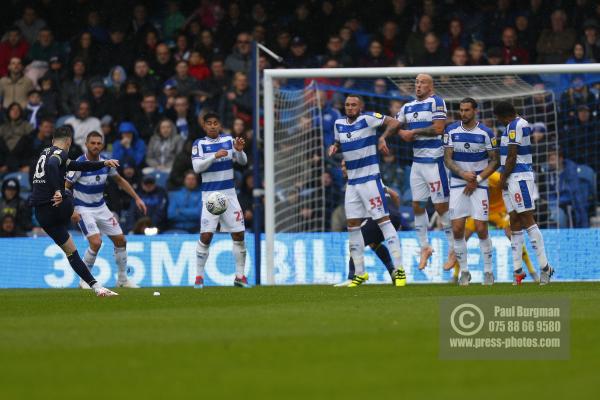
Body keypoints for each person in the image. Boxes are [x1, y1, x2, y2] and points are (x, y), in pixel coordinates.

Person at [29, 125, 119, 297]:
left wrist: (103, 163)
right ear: (69, 141)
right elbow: (52, 166)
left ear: (53, 139)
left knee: (71, 251)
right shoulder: (59, 154)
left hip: (41, 214)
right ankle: (74, 214)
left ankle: (96, 286)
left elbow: (78, 165)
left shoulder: (45, 151)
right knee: (69, 193)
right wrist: (58, 190)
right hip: (54, 207)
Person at [328, 95, 408, 287]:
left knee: (383, 221)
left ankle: (400, 270)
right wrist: (334, 146)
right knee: (352, 226)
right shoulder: (338, 123)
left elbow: (395, 122)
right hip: (353, 184)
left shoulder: (369, 119)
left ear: (360, 106)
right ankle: (360, 273)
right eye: (347, 104)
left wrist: (382, 137)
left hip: (370, 180)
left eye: (353, 104)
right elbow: (339, 142)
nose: (350, 107)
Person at [379, 74, 455, 271]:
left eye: (422, 83)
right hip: (418, 164)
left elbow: (439, 129)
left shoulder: (436, 102)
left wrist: (413, 133)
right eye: (416, 83)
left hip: (435, 161)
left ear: (431, 86)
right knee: (417, 206)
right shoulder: (408, 107)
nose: (418, 86)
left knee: (440, 207)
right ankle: (425, 247)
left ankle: (454, 248)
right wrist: (386, 136)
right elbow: (395, 124)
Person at [65, 131, 147, 289]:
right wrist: (71, 209)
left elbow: (120, 180)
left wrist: (137, 198)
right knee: (96, 242)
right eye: (93, 143)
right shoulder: (78, 164)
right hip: (82, 208)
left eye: (99, 143)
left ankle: (122, 280)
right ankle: (84, 280)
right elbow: (66, 187)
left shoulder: (105, 163)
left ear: (102, 145)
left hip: (101, 207)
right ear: (86, 145)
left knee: (121, 240)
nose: (96, 146)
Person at [494, 101, 554, 285]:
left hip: (519, 177)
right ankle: (518, 271)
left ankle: (545, 268)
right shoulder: (510, 127)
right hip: (511, 177)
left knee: (527, 218)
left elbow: (513, 155)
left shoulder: (517, 125)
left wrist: (502, 178)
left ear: (503, 116)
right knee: (514, 221)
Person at [443, 98, 499, 286]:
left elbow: (495, 161)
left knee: (482, 228)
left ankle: (488, 272)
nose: (463, 113)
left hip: (479, 185)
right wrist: (462, 174)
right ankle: (465, 272)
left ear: (475, 110)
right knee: (457, 229)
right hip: (459, 183)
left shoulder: (486, 133)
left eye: (467, 110)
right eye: (461, 110)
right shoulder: (451, 130)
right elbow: (447, 159)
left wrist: (478, 179)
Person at [191, 112, 250, 288]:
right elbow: (196, 168)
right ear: (204, 126)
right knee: (206, 235)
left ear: (220, 125)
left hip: (230, 194)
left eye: (215, 123)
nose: (212, 126)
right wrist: (214, 156)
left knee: (238, 234)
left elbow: (243, 161)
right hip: (210, 196)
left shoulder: (229, 140)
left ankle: (240, 276)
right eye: (209, 123)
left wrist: (239, 152)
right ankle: (199, 277)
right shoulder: (199, 144)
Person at [333, 160, 402, 287]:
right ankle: (393, 271)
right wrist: (396, 216)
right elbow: (396, 196)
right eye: (341, 166)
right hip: (394, 217)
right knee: (373, 242)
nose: (342, 169)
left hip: (381, 218)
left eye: (345, 166)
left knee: (355, 242)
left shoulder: (356, 185)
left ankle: (353, 276)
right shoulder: (374, 180)